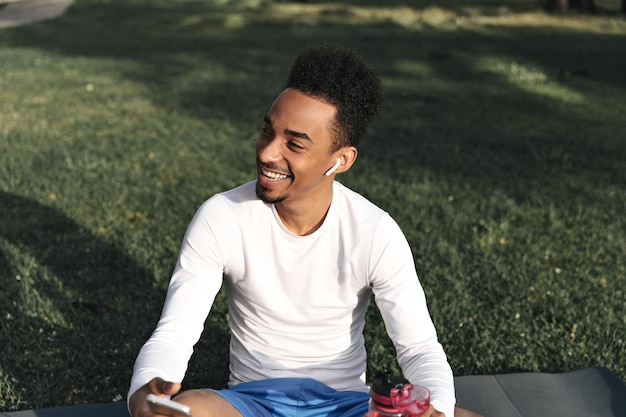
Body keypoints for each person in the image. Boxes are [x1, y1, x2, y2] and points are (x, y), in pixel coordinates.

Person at [128, 44, 456, 417]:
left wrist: (438, 410)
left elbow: (418, 348)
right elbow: (175, 333)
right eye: (268, 131)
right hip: (251, 404)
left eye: (294, 144)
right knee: (187, 410)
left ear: (340, 160)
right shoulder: (222, 216)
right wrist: (145, 391)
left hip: (346, 407)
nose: (268, 152)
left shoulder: (374, 232)